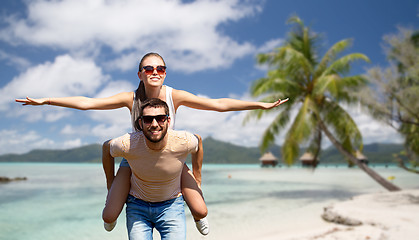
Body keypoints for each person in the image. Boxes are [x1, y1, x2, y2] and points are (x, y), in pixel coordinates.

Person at [15, 52, 289, 235]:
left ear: (165, 73)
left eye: (160, 68)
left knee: (200, 209)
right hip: (136, 160)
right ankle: (117, 202)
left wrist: (259, 105)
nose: (155, 71)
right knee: (109, 216)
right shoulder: (129, 97)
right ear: (140, 74)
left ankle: (195, 213)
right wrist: (47, 100)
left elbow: (218, 104)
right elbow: (88, 103)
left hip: (170, 158)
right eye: (149, 68)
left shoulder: (175, 95)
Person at [103, 98, 202, 240]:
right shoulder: (127, 143)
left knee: (201, 211)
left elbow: (198, 141)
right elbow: (106, 147)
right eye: (148, 120)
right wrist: (110, 184)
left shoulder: (183, 140)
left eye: (160, 118)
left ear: (168, 121)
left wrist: (197, 177)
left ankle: (199, 218)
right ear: (140, 123)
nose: (154, 124)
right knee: (108, 215)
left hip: (171, 204)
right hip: (137, 205)